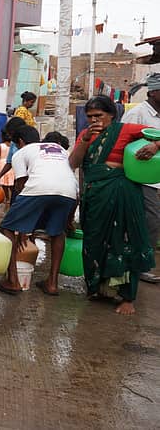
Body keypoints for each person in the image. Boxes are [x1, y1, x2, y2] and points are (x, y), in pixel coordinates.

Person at [69, 95, 158, 315]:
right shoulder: (85, 134)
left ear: (111, 115)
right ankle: (98, 288)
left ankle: (127, 297)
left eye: (98, 115)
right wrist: (85, 140)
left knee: (124, 241)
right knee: (94, 240)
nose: (94, 120)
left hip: (122, 193)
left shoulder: (125, 130)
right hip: (95, 194)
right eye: (90, 116)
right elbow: (73, 163)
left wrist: (155, 145)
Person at [0, 126, 78, 296]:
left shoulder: (20, 153)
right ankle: (52, 283)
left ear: (20, 142)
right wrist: (68, 219)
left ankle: (12, 281)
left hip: (39, 188)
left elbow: (21, 185)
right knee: (58, 232)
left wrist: (22, 225)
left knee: (7, 227)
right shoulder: (58, 148)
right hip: (69, 191)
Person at [121, 73, 160, 284]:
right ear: (153, 92)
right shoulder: (137, 113)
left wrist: (157, 144)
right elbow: (122, 141)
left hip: (156, 178)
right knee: (149, 221)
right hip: (140, 179)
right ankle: (140, 265)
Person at [0, 116, 29, 203]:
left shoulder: (29, 143)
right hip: (18, 179)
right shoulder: (13, 143)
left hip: (29, 181)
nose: (10, 136)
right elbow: (9, 162)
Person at [0, 130, 15, 206]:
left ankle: (7, 198)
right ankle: (12, 198)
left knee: (4, 184)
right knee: (11, 183)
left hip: (1, 165)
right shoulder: (13, 145)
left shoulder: (0, 146)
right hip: (10, 164)